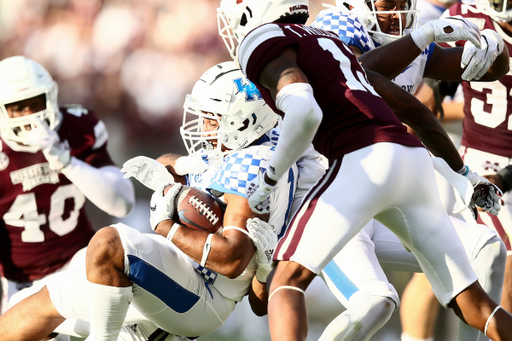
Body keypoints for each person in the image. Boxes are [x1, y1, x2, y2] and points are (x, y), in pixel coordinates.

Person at [216, 0, 512, 340]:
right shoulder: (328, 41)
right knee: (476, 306)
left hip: (357, 167)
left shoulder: (265, 40)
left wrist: (268, 180)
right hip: (409, 159)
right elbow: (414, 111)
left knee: (287, 281)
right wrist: (465, 175)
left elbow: (305, 113)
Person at [0, 61, 295, 341]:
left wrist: (166, 225)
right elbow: (177, 164)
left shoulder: (252, 169)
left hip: (203, 290)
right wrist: (175, 175)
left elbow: (230, 261)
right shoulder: (254, 147)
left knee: (110, 245)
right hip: (181, 274)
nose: (204, 128)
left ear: (245, 121)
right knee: (30, 303)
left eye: (212, 120)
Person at [308, 0, 509, 339]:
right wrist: (420, 37)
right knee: (376, 302)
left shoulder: (414, 44)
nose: (397, 12)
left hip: (387, 198)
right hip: (333, 200)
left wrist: (495, 48)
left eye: (403, 2)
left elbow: (483, 73)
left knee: (487, 248)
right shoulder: (338, 24)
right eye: (388, 4)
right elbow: (353, 75)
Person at [0, 55, 135, 329]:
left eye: (36, 103)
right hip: (20, 282)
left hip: (79, 263)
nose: (30, 116)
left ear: (51, 97)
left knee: (127, 327)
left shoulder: (76, 127)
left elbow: (123, 203)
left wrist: (67, 162)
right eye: (18, 108)